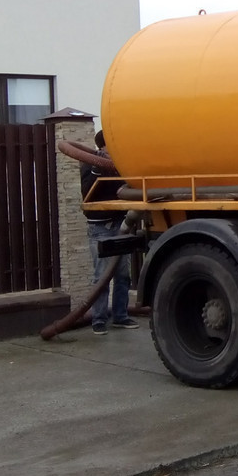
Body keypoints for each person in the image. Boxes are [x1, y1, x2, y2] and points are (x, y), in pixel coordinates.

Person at [81, 129, 137, 335]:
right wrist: (98, 168)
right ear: (103, 146)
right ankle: (98, 319)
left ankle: (120, 316)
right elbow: (87, 192)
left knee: (122, 274)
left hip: (120, 223)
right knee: (101, 276)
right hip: (100, 227)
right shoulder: (91, 163)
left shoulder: (120, 165)